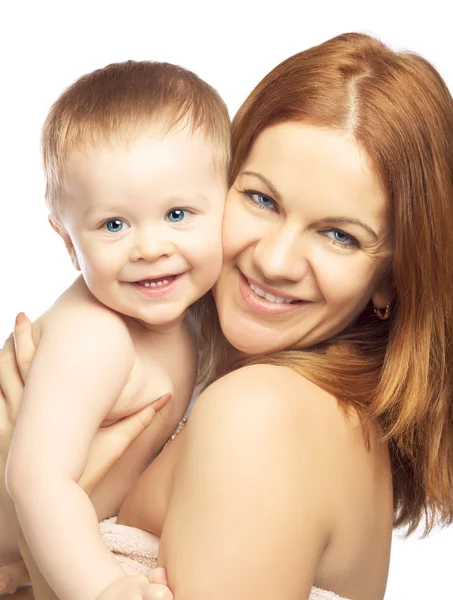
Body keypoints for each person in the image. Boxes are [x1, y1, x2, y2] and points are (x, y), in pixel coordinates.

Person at [1, 31, 453, 600]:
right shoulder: (184, 367)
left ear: (391, 280)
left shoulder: (258, 413)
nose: (274, 260)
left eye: (339, 235)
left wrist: (27, 534)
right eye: (262, 199)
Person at [0, 60, 229, 600]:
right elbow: (36, 480)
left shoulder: (197, 316)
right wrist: (104, 588)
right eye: (114, 225)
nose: (150, 248)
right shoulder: (94, 336)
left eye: (177, 214)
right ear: (65, 241)